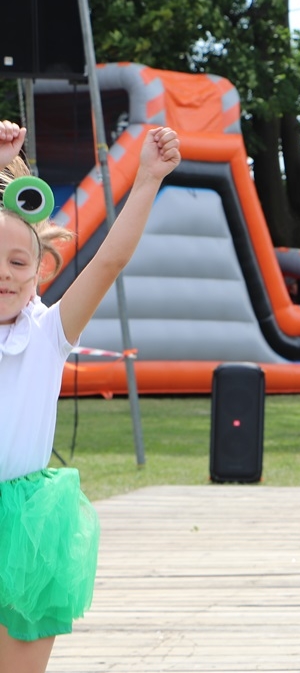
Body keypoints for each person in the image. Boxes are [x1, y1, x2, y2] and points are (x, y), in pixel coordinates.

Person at [0, 120, 180, 673]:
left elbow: (109, 261)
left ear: (40, 269)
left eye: (17, 263)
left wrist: (147, 179)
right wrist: (3, 166)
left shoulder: (48, 333)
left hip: (27, 527)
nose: (4, 275)